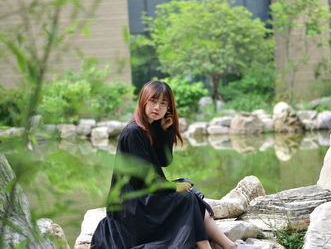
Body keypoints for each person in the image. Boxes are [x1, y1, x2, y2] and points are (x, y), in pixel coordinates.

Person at [90, 80, 239, 249]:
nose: (157, 107)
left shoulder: (151, 128)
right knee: (187, 197)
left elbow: (164, 161)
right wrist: (175, 187)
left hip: (146, 196)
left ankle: (227, 245)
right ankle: (206, 245)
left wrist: (165, 132)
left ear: (169, 108)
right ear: (143, 101)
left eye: (163, 103)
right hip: (131, 206)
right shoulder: (133, 132)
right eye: (153, 101)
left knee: (191, 195)